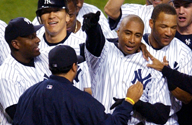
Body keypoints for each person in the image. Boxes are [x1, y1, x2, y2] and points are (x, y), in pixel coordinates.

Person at [13, 45, 143, 125]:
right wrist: (129, 101)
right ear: (74, 67)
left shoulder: (29, 94)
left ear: (49, 67)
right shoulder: (82, 100)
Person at [83, 12, 171, 124]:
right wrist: (93, 28)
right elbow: (95, 41)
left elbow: (161, 115)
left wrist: (135, 103)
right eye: (128, 33)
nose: (132, 40)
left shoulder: (151, 64)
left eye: (137, 35)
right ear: (118, 32)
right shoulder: (104, 52)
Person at [141, 3, 192, 124]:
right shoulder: (137, 45)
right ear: (151, 23)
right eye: (164, 26)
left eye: (173, 27)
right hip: (135, 119)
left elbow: (188, 98)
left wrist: (168, 75)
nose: (169, 32)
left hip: (167, 121)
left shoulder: (183, 52)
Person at [35, 0, 91, 94]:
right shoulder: (33, 47)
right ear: (40, 18)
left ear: (67, 16)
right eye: (46, 11)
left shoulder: (82, 46)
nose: (51, 16)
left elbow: (89, 89)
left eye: (57, 10)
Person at [0, 17, 51, 124]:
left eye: (36, 35)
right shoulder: (6, 75)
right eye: (32, 37)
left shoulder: (45, 57)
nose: (38, 40)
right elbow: (20, 116)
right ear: (16, 44)